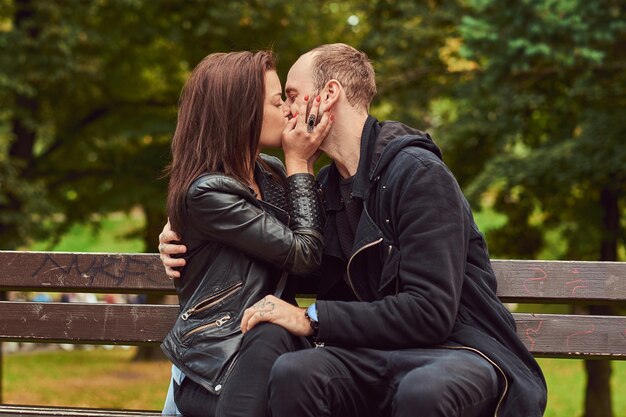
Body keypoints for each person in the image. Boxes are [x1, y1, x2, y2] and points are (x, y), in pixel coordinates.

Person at [160, 43, 547, 417]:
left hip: (460, 349)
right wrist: (183, 228)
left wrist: (312, 317)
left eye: (292, 96)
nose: (289, 111)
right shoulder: (326, 188)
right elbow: (278, 238)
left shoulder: (418, 174)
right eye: (281, 101)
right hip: (370, 351)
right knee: (295, 372)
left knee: (423, 391)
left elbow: (431, 312)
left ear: (328, 95)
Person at [160, 50, 332, 417]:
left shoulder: (268, 173)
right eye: (276, 102)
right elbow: (302, 254)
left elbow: (315, 243)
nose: (289, 110)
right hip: (216, 368)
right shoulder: (208, 193)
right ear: (241, 114)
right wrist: (300, 164)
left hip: (266, 352)